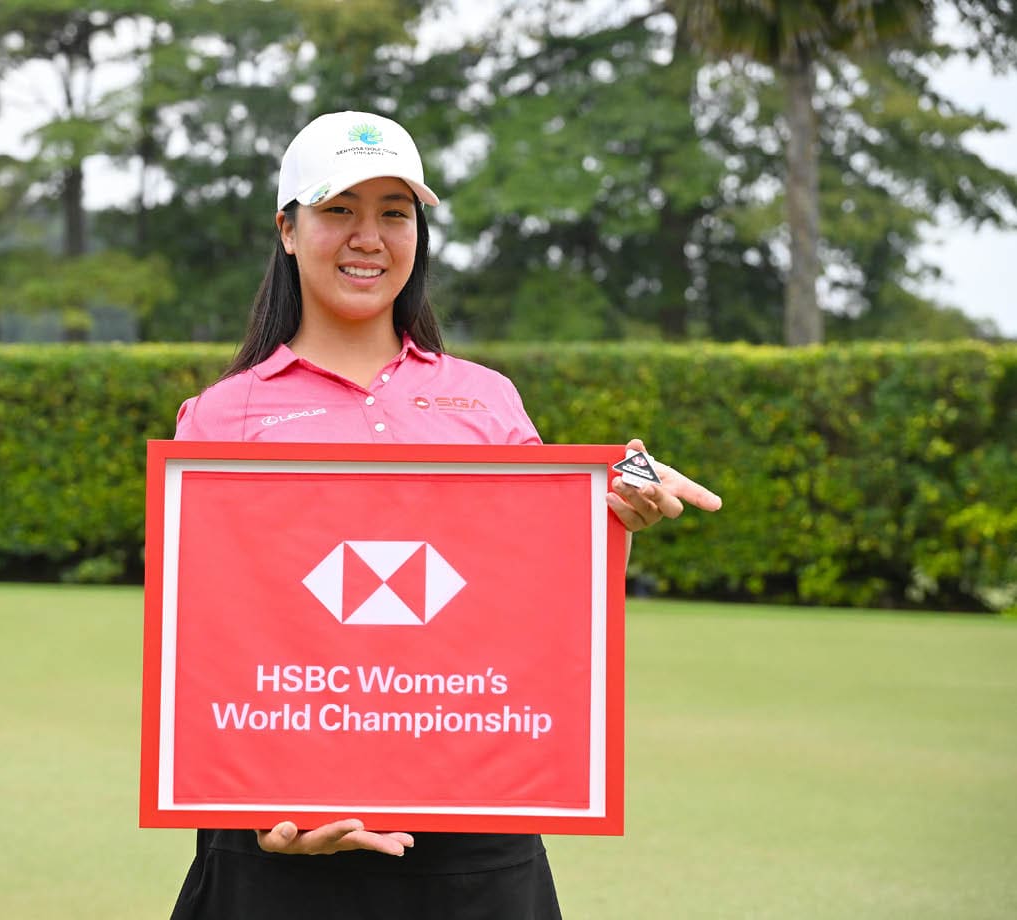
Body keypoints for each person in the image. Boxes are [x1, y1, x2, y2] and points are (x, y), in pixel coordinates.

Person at [169, 110, 722, 919]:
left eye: (395, 212)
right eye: (338, 210)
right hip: (282, 831)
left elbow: (536, 597)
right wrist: (259, 808)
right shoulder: (223, 415)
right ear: (286, 229)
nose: (370, 236)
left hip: (475, 829)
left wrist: (615, 510)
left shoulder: (485, 398)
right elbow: (211, 643)